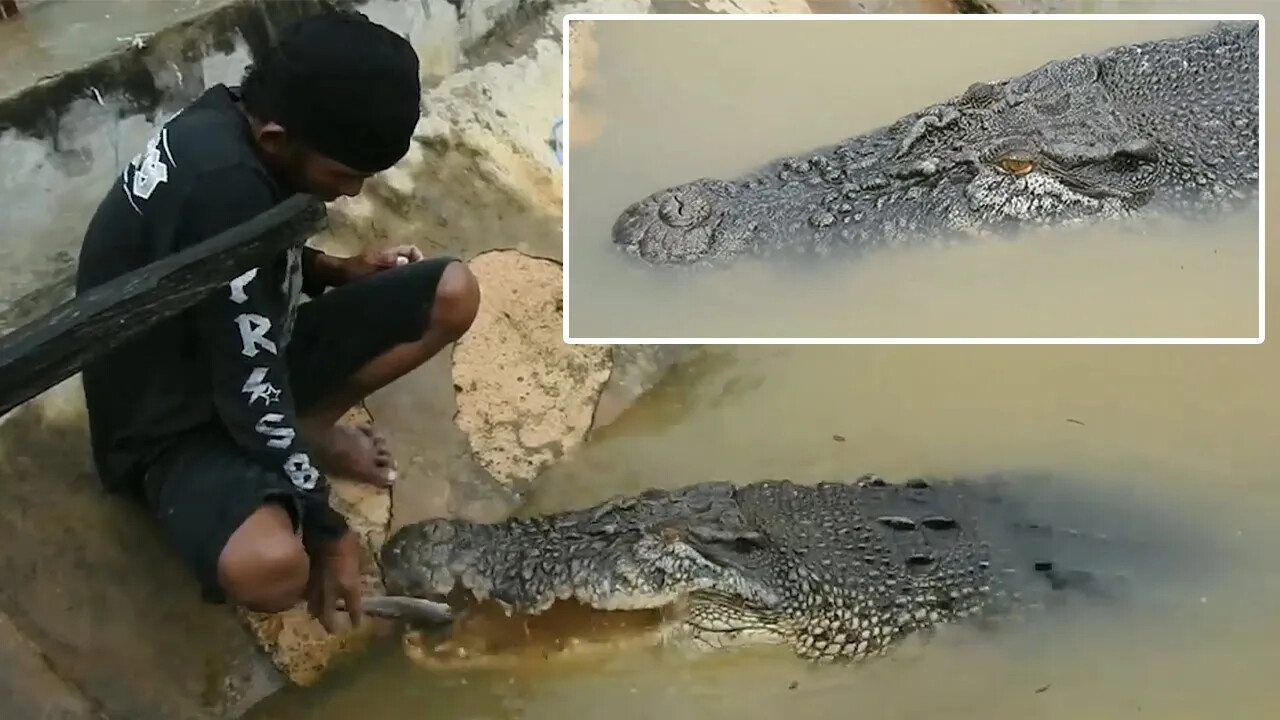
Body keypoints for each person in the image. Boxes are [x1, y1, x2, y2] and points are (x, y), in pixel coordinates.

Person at [74, 11, 480, 633]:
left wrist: (334, 271)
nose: (350, 194)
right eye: (344, 176)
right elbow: (246, 383)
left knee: (452, 291)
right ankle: (284, 456)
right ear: (275, 139)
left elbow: (229, 274)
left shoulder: (233, 119)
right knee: (272, 567)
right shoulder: (224, 189)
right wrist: (326, 528)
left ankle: (307, 429)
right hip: (173, 420)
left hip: (239, 345)